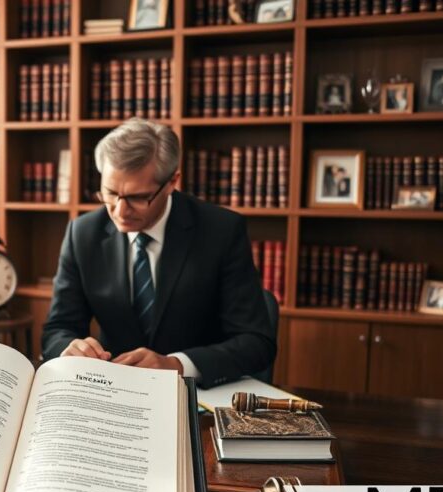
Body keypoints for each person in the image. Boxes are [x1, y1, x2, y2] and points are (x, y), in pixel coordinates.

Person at [41, 119, 275, 388]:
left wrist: (177, 365)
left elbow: (257, 342)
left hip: (197, 395)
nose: (119, 211)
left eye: (138, 197)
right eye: (110, 193)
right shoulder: (82, 233)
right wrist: (69, 349)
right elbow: (57, 329)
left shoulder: (221, 231)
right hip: (112, 394)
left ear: (172, 181)